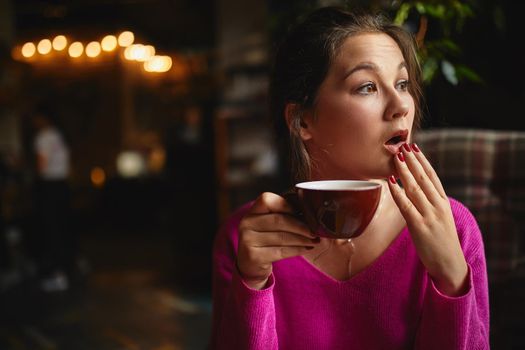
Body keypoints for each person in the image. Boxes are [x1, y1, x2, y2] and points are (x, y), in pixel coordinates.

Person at [211, 7, 489, 350]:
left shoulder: (456, 228)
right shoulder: (247, 242)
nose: (400, 105)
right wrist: (251, 283)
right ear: (302, 121)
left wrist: (450, 278)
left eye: (402, 84)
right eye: (367, 86)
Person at [31, 105, 74, 292]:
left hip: (49, 186)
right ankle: (68, 268)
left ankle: (55, 273)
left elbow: (42, 166)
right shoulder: (59, 135)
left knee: (50, 229)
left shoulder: (44, 137)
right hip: (63, 185)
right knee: (63, 226)